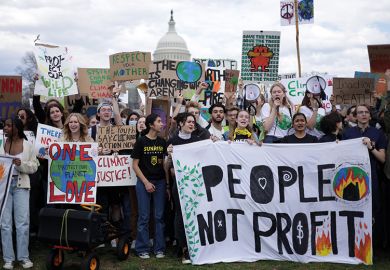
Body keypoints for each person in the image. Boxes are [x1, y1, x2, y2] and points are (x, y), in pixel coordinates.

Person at [0, 117, 39, 269]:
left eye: (9, 126)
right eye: (5, 126)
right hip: (4, 187)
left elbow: (35, 166)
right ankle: (8, 258)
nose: (5, 128)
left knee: (22, 223)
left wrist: (21, 164)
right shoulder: (2, 144)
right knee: (5, 224)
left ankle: (23, 257)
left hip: (21, 185)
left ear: (17, 128)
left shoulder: (28, 145)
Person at [166, 112, 205, 264]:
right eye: (188, 121)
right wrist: (169, 157)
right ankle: (183, 248)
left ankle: (195, 245)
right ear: (181, 124)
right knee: (181, 215)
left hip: (195, 184)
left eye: (193, 122)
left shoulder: (198, 141)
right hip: (180, 184)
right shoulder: (172, 142)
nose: (191, 124)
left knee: (195, 213)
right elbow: (167, 166)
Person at [132, 113, 168, 259]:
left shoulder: (162, 141)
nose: (162, 124)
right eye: (159, 122)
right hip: (143, 182)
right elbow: (135, 165)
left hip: (159, 182)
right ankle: (142, 248)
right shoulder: (141, 142)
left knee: (159, 216)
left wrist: (165, 184)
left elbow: (164, 164)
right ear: (151, 125)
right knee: (144, 216)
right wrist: (146, 182)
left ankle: (159, 248)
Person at [343, 104, 386, 218]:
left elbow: (382, 158)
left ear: (370, 116)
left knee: (374, 208)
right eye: (360, 112)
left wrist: (371, 147)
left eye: (366, 112)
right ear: (355, 116)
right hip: (352, 176)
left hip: (372, 175)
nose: (364, 114)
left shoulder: (377, 133)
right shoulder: (347, 133)